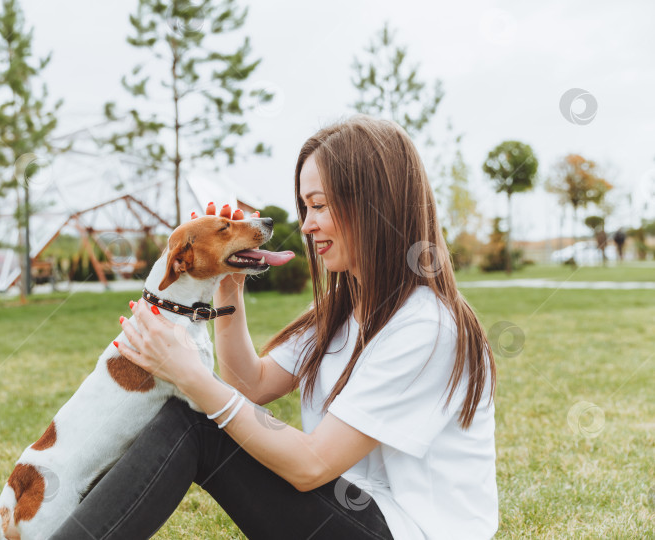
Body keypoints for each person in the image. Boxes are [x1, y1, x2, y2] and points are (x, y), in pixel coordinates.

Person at [50, 116, 498, 540]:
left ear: (373, 203)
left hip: (406, 530)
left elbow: (312, 465)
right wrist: (227, 287)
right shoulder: (345, 310)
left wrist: (189, 375)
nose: (306, 224)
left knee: (194, 421)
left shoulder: (425, 326)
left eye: (319, 205)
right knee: (196, 418)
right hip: (355, 512)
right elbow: (251, 384)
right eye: (305, 207)